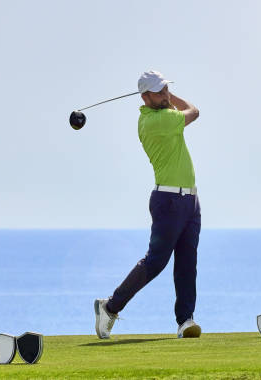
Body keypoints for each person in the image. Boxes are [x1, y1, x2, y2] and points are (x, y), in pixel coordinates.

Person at [94, 70, 202, 339]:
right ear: (144, 97)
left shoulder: (160, 112)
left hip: (190, 200)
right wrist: (171, 98)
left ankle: (185, 321)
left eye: (166, 89)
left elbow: (179, 107)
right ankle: (110, 307)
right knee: (156, 262)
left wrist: (163, 91)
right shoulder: (158, 121)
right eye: (159, 91)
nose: (165, 95)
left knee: (187, 262)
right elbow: (195, 111)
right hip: (168, 201)